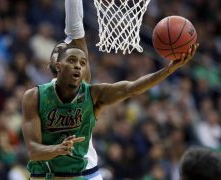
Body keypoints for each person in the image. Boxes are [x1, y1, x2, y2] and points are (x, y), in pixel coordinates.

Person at [21, 0, 199, 179]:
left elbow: (132, 88)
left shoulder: (92, 94)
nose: (78, 65)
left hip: (85, 174)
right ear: (58, 66)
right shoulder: (35, 97)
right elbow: (33, 152)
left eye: (83, 63)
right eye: (71, 61)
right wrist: (58, 149)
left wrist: (168, 69)